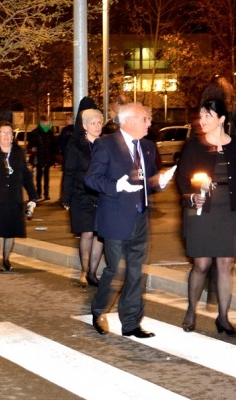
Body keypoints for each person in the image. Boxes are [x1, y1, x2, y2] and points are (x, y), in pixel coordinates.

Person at [85, 102, 175, 338]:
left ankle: (132, 322)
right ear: (129, 120)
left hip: (141, 218)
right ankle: (99, 311)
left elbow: (147, 180)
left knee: (136, 272)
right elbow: (91, 179)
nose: (149, 123)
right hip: (115, 219)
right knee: (116, 270)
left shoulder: (147, 147)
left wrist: (158, 182)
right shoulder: (106, 145)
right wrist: (116, 186)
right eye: (145, 119)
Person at [176, 98, 236, 336]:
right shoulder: (194, 147)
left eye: (207, 116)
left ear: (221, 119)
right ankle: (191, 310)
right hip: (201, 211)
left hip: (229, 213)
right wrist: (191, 196)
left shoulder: (234, 145)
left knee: (225, 264)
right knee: (201, 264)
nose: (202, 121)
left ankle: (223, 317)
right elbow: (182, 179)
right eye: (200, 116)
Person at [0, 121, 38, 272]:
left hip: (13, 197)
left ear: (12, 136)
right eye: (3, 132)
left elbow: (26, 176)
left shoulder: (18, 153)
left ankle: (6, 258)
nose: (6, 135)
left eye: (9, 133)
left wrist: (33, 196)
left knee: (11, 230)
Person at [61, 105, 104, 287]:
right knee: (86, 232)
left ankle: (93, 273)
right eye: (93, 123)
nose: (97, 126)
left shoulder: (105, 145)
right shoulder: (76, 145)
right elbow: (69, 172)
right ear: (85, 126)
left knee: (99, 234)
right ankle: (84, 272)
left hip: (101, 195)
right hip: (81, 194)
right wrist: (66, 196)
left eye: (99, 123)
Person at [27, 115, 57, 200]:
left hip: (48, 156)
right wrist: (32, 148)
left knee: (47, 175)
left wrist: (54, 157)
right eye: (45, 122)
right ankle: (38, 192)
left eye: (47, 122)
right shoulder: (35, 132)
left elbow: (53, 146)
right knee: (39, 175)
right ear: (41, 122)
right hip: (39, 156)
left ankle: (46, 193)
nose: (47, 123)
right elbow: (31, 144)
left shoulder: (50, 133)